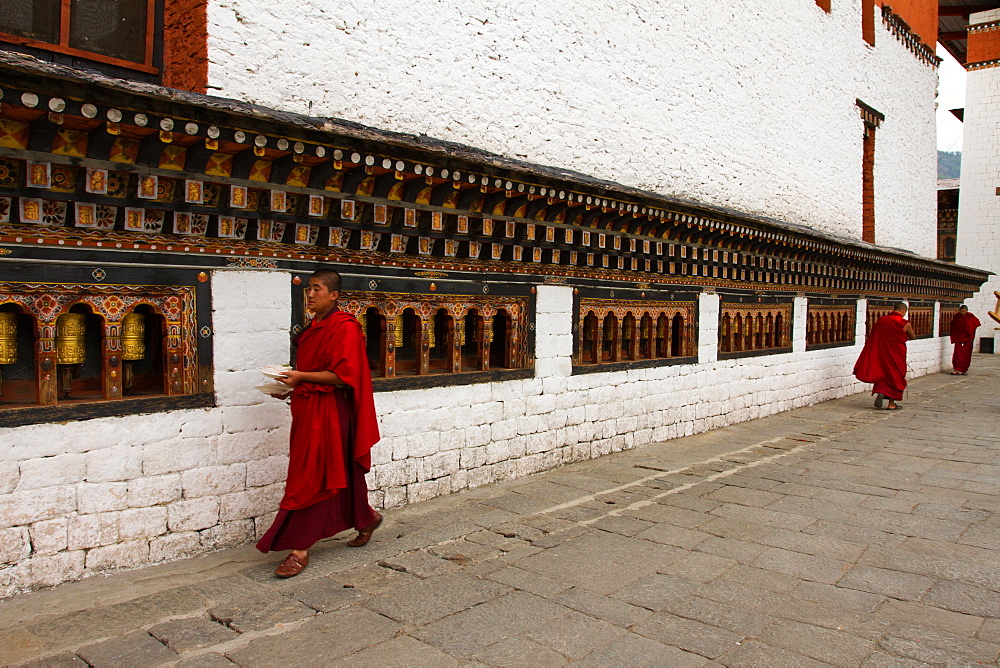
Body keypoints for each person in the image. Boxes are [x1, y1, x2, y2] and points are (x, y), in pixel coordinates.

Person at [256, 269, 382, 578]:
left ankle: (299, 549)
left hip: (330, 412)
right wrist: (289, 386)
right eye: (309, 289)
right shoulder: (314, 327)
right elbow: (313, 371)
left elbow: (343, 376)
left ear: (334, 295)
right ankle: (366, 518)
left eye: (317, 289)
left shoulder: (345, 328)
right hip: (308, 409)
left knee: (310, 475)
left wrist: (301, 378)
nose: (310, 294)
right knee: (335, 470)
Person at [853, 301, 916, 411]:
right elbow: (913, 336)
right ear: (903, 311)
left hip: (882, 352)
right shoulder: (905, 324)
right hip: (897, 354)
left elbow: (873, 335)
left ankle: (881, 392)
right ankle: (891, 404)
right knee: (895, 375)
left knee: (883, 372)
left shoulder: (882, 320)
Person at [949, 305, 981, 375]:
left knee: (966, 354)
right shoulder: (957, 317)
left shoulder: (970, 317)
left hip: (967, 339)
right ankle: (957, 369)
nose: (963, 313)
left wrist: (970, 333)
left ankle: (964, 369)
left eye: (964, 311)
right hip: (958, 338)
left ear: (967, 310)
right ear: (959, 310)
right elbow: (953, 326)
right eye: (961, 311)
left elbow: (975, 324)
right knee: (958, 354)